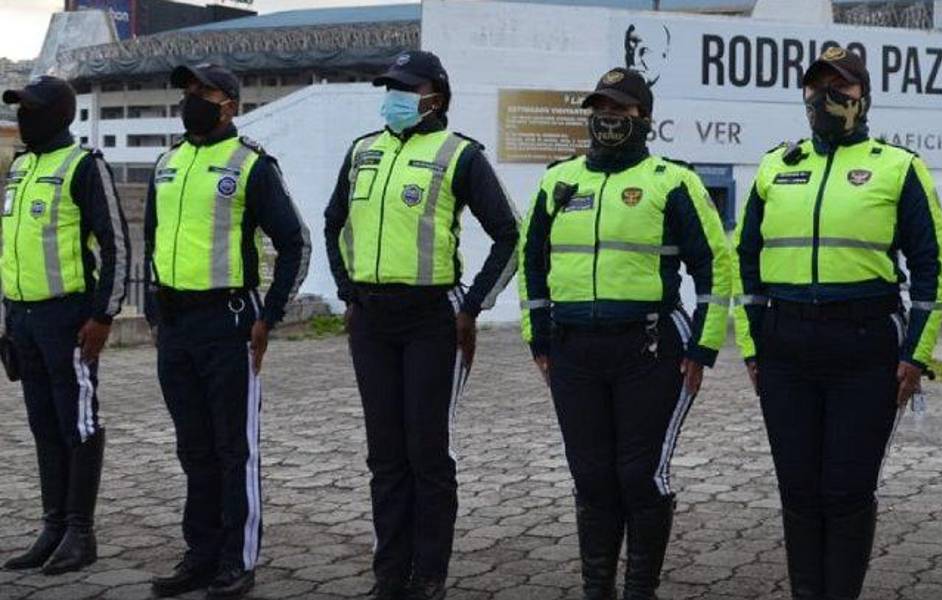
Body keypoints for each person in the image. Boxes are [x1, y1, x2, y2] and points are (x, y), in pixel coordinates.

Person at [731, 46, 942, 600]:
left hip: (864, 350)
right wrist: (754, 347)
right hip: (786, 350)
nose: (825, 97)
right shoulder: (776, 166)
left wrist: (916, 354)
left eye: (839, 87)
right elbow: (746, 260)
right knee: (799, 491)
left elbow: (931, 264)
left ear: (863, 96)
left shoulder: (897, 166)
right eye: (817, 86)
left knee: (847, 491)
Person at [518, 67, 733, 600]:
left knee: (639, 476)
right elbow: (532, 264)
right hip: (573, 352)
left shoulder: (673, 182)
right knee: (592, 480)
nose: (607, 119)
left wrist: (703, 348)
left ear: (644, 119)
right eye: (599, 109)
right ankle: (598, 590)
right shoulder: (558, 181)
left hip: (650, 350)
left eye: (620, 110)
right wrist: (539, 339)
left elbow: (715, 267)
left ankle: (640, 590)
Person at [323, 50, 520, 600]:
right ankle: (390, 572)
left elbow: (510, 234)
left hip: (434, 320)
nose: (395, 96)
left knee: (426, 451)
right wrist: (348, 291)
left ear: (436, 95)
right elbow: (334, 221)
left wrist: (472, 304)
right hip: (373, 322)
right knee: (384, 453)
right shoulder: (362, 151)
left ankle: (429, 573)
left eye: (406, 88)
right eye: (390, 87)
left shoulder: (461, 155)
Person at [145, 63, 311, 599]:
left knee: (232, 448)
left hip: (229, 324)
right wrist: (153, 310)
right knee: (192, 447)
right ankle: (200, 553)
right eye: (188, 91)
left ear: (230, 104)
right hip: (175, 327)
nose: (192, 98)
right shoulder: (166, 162)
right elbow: (152, 240)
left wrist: (270, 314)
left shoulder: (251, 165)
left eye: (204, 92)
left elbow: (294, 242)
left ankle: (237, 561)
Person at [1, 75, 129, 575]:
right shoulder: (21, 166)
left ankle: (80, 531)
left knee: (77, 423)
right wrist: (9, 317)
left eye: (30, 109)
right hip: (24, 318)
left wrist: (103, 315)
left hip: (67, 318)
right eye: (18, 109)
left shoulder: (84, 165)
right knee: (43, 424)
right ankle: (52, 526)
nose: (22, 117)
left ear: (57, 114)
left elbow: (117, 245)